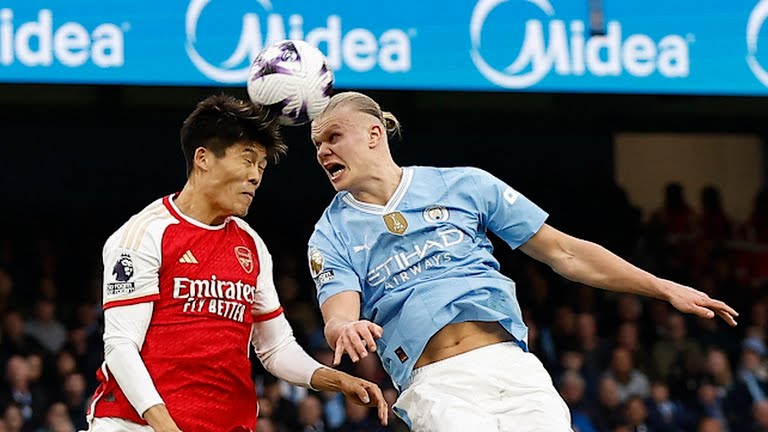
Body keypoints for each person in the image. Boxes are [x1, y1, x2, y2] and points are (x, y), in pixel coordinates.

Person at [306, 91, 739, 431]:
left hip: (513, 366)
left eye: (333, 137)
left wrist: (664, 287)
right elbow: (338, 315)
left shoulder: (465, 185)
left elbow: (566, 252)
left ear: (374, 134)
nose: (323, 152)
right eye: (317, 144)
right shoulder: (331, 232)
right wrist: (345, 327)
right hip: (438, 384)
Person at [85, 94, 388, 432]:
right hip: (135, 425)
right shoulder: (144, 235)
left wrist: (338, 381)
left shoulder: (251, 245)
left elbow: (275, 348)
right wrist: (166, 427)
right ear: (203, 158)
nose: (255, 176)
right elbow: (121, 347)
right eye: (247, 160)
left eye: (261, 166)